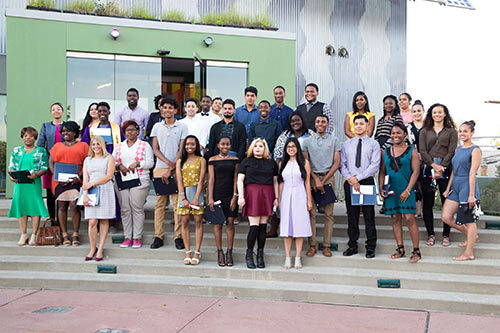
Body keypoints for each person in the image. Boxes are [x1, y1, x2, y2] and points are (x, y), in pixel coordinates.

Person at [379, 122, 421, 263]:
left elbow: (416, 172)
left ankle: (416, 250)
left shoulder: (411, 150)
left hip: (406, 189)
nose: (395, 135)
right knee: (395, 218)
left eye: (398, 133)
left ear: (404, 134)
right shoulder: (386, 151)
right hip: (391, 189)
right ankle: (400, 248)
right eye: (393, 133)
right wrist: (381, 188)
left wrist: (408, 190)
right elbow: (382, 171)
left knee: (409, 218)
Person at [340, 115, 381, 258]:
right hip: (350, 182)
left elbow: (374, 165)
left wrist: (357, 178)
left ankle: (371, 246)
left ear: (367, 126)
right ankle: (352, 245)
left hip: (366, 182)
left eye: (361, 124)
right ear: (352, 126)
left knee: (369, 216)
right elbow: (342, 165)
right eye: (356, 124)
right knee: (352, 216)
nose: (358, 126)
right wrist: (351, 179)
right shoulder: (346, 145)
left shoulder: (373, 144)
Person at [150, 97, 188, 250]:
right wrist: (167, 164)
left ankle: (178, 236)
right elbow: (155, 149)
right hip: (160, 167)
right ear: (161, 109)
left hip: (177, 167)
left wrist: (172, 166)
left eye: (170, 108)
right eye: (164, 107)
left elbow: (182, 149)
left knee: (177, 204)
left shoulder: (182, 126)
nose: (167, 110)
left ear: (175, 110)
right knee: (160, 204)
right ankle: (158, 235)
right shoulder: (157, 127)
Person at [302, 115, 342, 257]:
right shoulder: (307, 142)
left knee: (329, 214)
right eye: (318, 121)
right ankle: (312, 245)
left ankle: (326, 245)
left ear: (327, 124)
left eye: (323, 122)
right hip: (311, 178)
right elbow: (306, 162)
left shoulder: (334, 140)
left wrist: (324, 179)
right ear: (315, 123)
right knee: (311, 213)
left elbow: (337, 162)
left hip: (328, 178)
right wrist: (315, 179)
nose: (320, 124)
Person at [81, 101, 124, 233]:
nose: (102, 113)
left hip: (112, 162)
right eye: (100, 111)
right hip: (96, 162)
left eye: (105, 111)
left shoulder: (116, 128)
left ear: (109, 112)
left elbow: (122, 145)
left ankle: (113, 221)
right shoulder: (91, 128)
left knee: (112, 193)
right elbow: (85, 145)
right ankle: (97, 221)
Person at [442, 121, 481, 260]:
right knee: (446, 217)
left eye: (465, 131)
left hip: (467, 186)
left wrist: (471, 195)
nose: (462, 134)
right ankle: (472, 236)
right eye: (460, 131)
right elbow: (454, 170)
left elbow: (472, 173)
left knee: (470, 221)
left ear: (472, 133)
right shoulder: (458, 149)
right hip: (456, 186)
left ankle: (469, 253)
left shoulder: (475, 150)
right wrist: (448, 188)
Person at [419, 103, 457, 247]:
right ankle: (431, 235)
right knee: (427, 203)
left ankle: (446, 235)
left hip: (446, 168)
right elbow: (422, 151)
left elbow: (452, 151)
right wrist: (433, 166)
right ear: (431, 114)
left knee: (446, 202)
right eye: (434, 112)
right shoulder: (424, 131)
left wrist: (442, 167)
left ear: (445, 114)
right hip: (428, 168)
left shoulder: (452, 131)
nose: (437, 115)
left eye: (440, 112)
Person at [238, 138, 279, 269]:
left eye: (261, 146)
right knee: (254, 227)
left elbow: (275, 182)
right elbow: (240, 180)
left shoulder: (271, 163)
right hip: (252, 193)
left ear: (265, 148)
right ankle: (249, 254)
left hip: (267, 194)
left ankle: (260, 254)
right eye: (255, 146)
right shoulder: (246, 162)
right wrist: (241, 196)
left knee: (263, 227)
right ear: (251, 148)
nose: (258, 148)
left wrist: (277, 198)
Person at [113, 120, 154, 249]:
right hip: (123, 179)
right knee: (125, 209)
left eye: (133, 130)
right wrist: (119, 166)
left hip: (140, 180)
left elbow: (150, 163)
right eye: (127, 130)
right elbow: (112, 162)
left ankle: (137, 237)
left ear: (138, 131)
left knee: (136, 207)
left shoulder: (144, 145)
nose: (130, 132)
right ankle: (127, 236)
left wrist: (137, 164)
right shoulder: (119, 146)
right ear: (124, 132)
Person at [49, 121, 89, 247]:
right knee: (61, 205)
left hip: (77, 180)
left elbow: (87, 162)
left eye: (69, 130)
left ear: (75, 132)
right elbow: (51, 163)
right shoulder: (57, 146)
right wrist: (56, 176)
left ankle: (76, 233)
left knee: (74, 204)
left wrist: (80, 175)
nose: (65, 133)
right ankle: (65, 233)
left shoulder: (83, 145)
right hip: (60, 182)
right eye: (64, 131)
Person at [8, 127, 49, 246]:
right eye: (25, 136)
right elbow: (12, 166)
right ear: (22, 137)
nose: (28, 138)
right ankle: (23, 234)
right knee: (21, 207)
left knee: (34, 208)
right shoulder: (16, 151)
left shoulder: (41, 151)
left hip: (33, 183)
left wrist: (36, 174)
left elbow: (44, 167)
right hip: (20, 184)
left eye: (31, 136)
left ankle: (34, 235)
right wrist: (11, 176)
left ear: (35, 138)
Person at [278, 138, 313, 269]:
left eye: (293, 146)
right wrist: (279, 199)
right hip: (286, 196)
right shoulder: (282, 163)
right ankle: (288, 257)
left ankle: (298, 257)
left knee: (299, 227)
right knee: (287, 228)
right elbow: (281, 183)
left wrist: (309, 200)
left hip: (300, 195)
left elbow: (307, 182)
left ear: (297, 148)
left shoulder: (304, 163)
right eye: (288, 147)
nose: (291, 149)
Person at [82, 136, 116, 261]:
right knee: (92, 221)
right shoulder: (87, 160)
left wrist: (92, 183)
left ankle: (100, 248)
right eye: (93, 144)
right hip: (91, 191)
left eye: (98, 144)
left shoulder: (109, 158)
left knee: (103, 220)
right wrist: (85, 193)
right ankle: (92, 248)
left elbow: (108, 176)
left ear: (103, 145)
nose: (96, 146)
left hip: (105, 189)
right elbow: (85, 178)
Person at [208, 136, 239, 267]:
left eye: (227, 144)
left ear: (230, 146)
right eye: (222, 144)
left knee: (230, 222)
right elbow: (211, 180)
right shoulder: (212, 160)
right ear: (218, 145)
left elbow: (236, 179)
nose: (225, 147)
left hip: (230, 195)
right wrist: (210, 197)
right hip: (217, 194)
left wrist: (235, 196)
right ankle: (220, 251)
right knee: (218, 223)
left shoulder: (235, 160)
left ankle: (229, 251)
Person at [176, 135, 206, 265]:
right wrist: (183, 198)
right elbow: (179, 180)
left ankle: (197, 252)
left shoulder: (201, 160)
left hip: (197, 194)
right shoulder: (180, 161)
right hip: (184, 193)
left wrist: (196, 198)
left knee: (198, 221)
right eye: (187, 144)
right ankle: (187, 252)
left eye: (192, 144)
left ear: (197, 145)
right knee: (185, 222)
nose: (190, 146)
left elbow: (201, 180)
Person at [37, 102, 65, 221]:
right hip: (50, 162)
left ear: (63, 112)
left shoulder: (67, 125)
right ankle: (53, 220)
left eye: (58, 109)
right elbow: (40, 145)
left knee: (62, 191)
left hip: (65, 162)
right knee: (50, 192)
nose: (56, 111)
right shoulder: (45, 126)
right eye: (53, 109)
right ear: (51, 113)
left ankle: (61, 221)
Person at [406, 100, 425, 217]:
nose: (417, 113)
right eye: (414, 111)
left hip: (427, 159)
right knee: (415, 184)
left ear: (423, 111)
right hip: (412, 158)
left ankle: (423, 208)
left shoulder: (429, 127)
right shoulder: (408, 127)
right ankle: (417, 209)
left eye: (419, 111)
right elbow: (406, 143)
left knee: (424, 185)